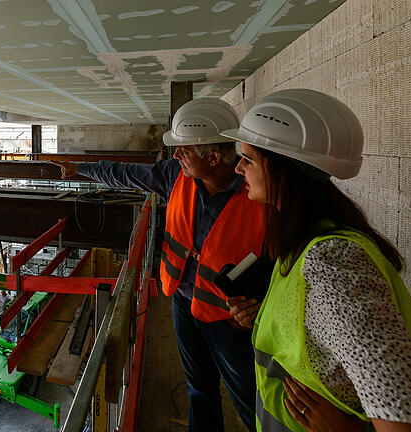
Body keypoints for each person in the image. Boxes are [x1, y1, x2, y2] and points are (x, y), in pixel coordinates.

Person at [221, 88, 411, 432]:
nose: (239, 168)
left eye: (248, 158)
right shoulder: (303, 241)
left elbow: (408, 414)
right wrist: (262, 319)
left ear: (283, 172)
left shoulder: (331, 265)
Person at [54, 98, 268, 432]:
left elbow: (277, 263)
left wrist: (260, 305)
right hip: (183, 300)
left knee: (252, 401)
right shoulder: (175, 176)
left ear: (213, 158)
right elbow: (124, 175)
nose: (175, 155)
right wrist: (80, 168)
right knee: (199, 388)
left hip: (229, 320)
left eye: (184, 150)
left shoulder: (257, 193)